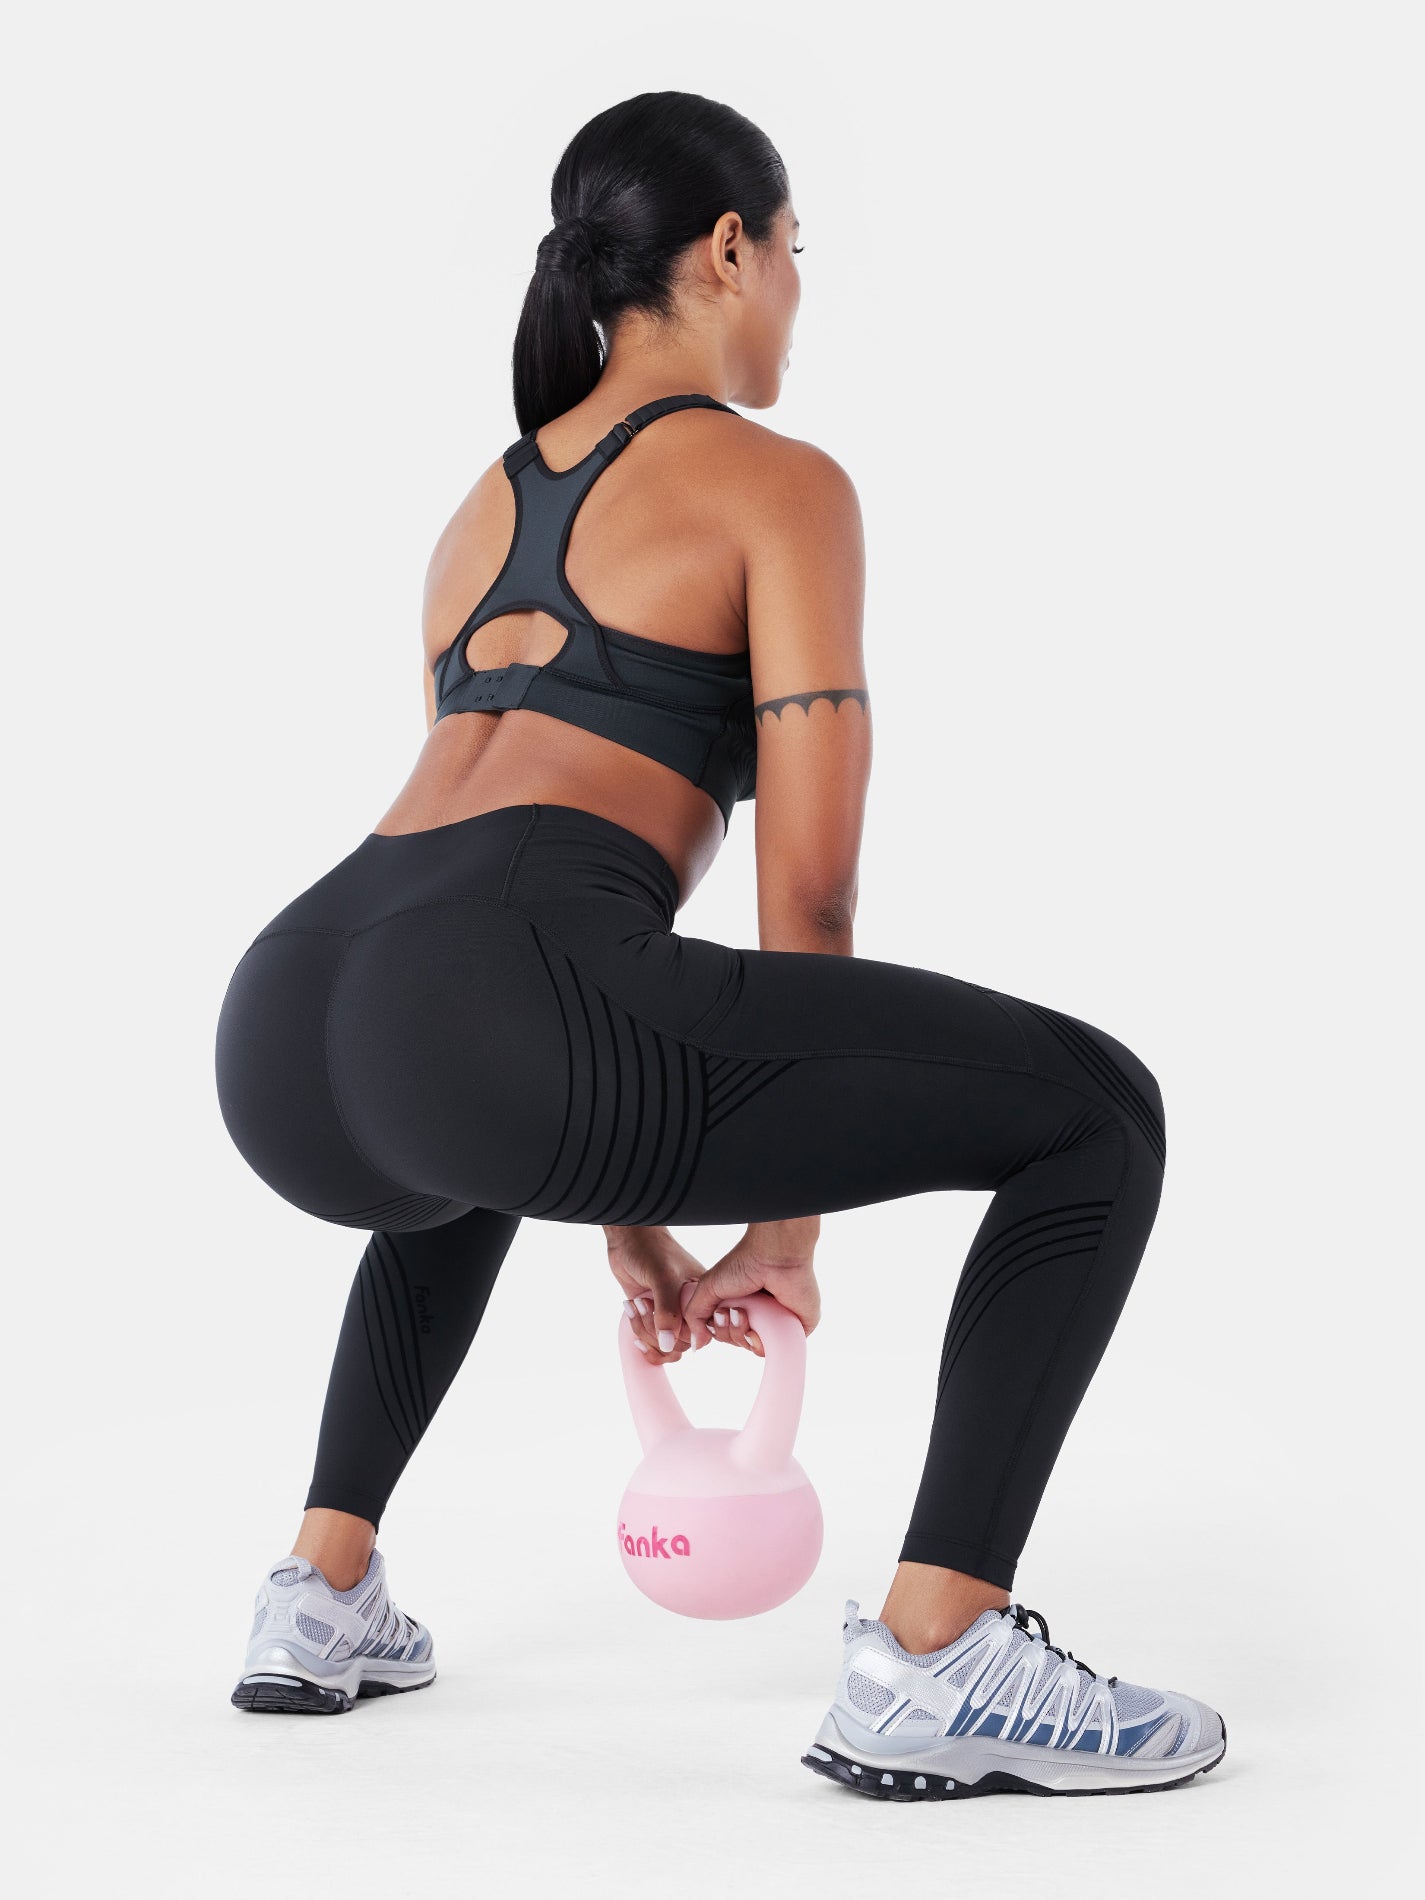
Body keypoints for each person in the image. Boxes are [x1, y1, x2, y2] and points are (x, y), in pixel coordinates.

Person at [214, 88, 1223, 1798]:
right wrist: (783, 1228)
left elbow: (511, 948)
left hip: (303, 1013)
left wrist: (620, 1207)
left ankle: (318, 1593)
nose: (800, 295)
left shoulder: (480, 508)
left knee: (463, 1131)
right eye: (798, 252)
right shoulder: (778, 485)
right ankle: (940, 1656)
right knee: (1096, 1111)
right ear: (732, 250)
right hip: (496, 1005)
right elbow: (803, 897)